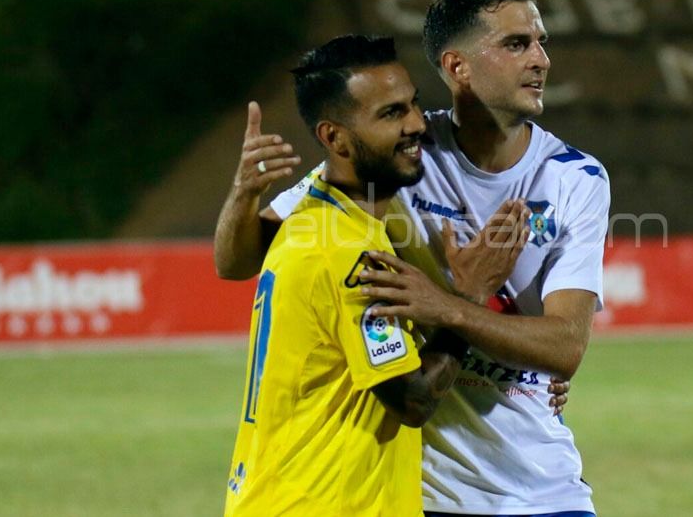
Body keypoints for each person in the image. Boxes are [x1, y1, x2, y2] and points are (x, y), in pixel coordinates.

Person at [215, 0, 609, 517]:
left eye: (541, 42)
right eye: (517, 44)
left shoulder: (576, 178)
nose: (541, 59)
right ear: (458, 67)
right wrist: (242, 193)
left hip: (543, 483)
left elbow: (565, 349)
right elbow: (240, 259)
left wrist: (448, 305)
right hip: (424, 491)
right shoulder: (400, 156)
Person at [222, 35, 526, 516]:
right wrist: (470, 295)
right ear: (334, 138)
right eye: (390, 114)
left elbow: (230, 262)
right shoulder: (343, 250)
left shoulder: (322, 215)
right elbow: (414, 398)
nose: (416, 125)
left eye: (413, 105)